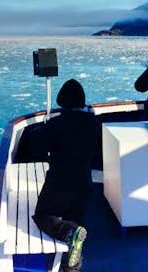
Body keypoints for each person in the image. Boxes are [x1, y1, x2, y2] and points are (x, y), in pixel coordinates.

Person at [33, 79, 99, 271]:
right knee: (76, 217)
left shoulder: (56, 124)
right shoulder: (94, 123)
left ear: (62, 100)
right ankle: (72, 266)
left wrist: (43, 130)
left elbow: (37, 148)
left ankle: (69, 232)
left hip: (59, 181)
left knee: (43, 216)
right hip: (83, 182)